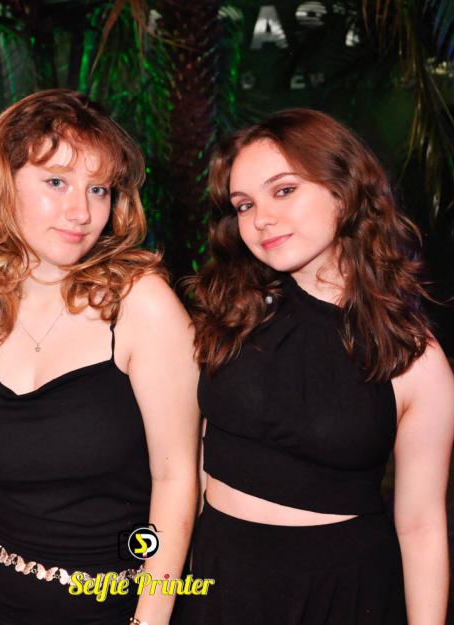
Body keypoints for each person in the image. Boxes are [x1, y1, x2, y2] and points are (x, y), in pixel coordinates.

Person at [177, 109, 454, 625]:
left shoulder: (413, 357)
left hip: (340, 594)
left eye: (284, 190)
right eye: (244, 204)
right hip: (216, 580)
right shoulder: (233, 313)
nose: (260, 219)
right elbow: (190, 469)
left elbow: (421, 526)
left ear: (344, 190)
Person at [0, 89, 199, 625]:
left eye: (98, 189)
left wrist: (149, 618)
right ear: (2, 183)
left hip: (111, 604)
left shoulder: (142, 305)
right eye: (56, 182)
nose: (82, 212)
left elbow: (176, 483)